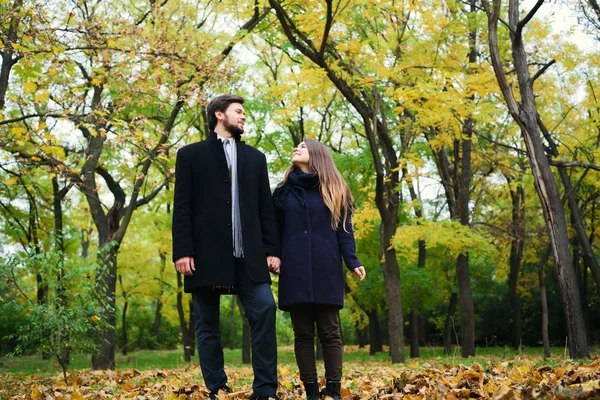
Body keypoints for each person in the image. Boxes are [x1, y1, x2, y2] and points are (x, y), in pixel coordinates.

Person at [172, 94, 281, 400]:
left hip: (249, 257)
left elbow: (265, 209)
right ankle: (216, 388)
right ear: (220, 114)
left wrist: (272, 250)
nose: (244, 116)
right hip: (205, 256)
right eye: (238, 111)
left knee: (265, 309)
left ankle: (265, 390)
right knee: (207, 324)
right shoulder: (190, 155)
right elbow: (182, 207)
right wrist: (182, 251)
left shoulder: (256, 158)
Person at [272, 139, 366, 400]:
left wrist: (353, 260)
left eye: (302, 146)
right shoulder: (282, 193)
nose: (295, 148)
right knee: (302, 334)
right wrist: (274, 255)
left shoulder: (336, 189)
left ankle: (333, 391)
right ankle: (312, 392)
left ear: (316, 154)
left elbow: (345, 230)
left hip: (327, 269)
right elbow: (274, 230)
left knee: (329, 331)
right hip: (294, 270)